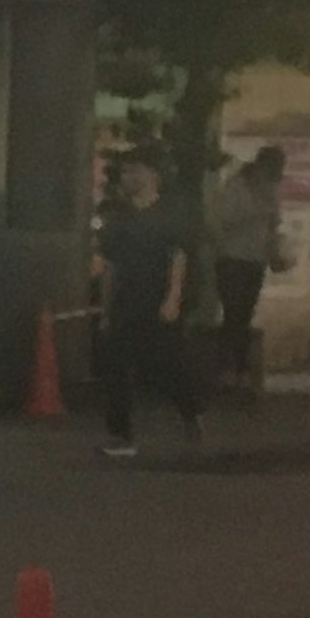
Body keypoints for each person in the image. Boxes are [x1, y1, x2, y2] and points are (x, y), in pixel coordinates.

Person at [95, 152, 200, 457]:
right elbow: (109, 266)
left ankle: (190, 414)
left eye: (134, 171)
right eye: (125, 172)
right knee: (117, 368)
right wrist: (105, 309)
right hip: (125, 301)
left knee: (169, 364)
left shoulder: (169, 215)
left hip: (157, 299)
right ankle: (121, 435)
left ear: (153, 175)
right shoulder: (119, 217)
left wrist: (172, 298)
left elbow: (178, 257)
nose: (128, 177)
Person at [206, 145, 283, 395]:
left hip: (254, 259)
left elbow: (272, 226)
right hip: (232, 258)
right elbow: (223, 219)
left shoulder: (270, 189)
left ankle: (237, 371)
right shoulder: (236, 186)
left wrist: (274, 253)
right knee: (233, 312)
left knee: (244, 314)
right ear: (260, 166)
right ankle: (228, 370)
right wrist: (255, 212)